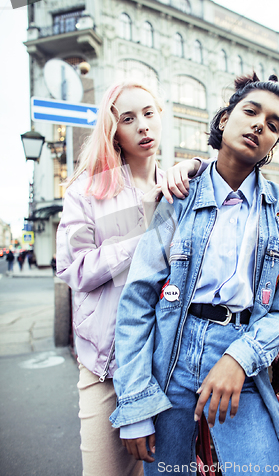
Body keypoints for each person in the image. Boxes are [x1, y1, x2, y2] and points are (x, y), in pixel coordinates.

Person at [110, 73, 279, 474]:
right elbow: (137, 300)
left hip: (242, 353)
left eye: (273, 125)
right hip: (170, 353)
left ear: (274, 143)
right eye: (250, 111)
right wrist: (135, 403)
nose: (260, 125)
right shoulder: (180, 195)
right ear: (225, 119)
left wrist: (241, 358)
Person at [56, 80, 203, 476]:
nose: (143, 126)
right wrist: (143, 243)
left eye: (149, 113)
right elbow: (74, 269)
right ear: (113, 131)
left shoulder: (179, 187)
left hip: (167, 363)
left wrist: (195, 164)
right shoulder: (87, 192)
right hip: (107, 365)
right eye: (128, 118)